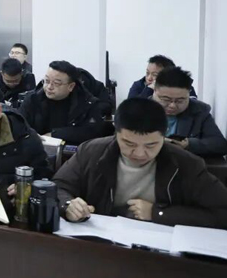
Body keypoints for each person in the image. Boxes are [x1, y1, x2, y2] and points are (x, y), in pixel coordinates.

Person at [54, 98, 227, 228]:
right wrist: (68, 205)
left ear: (164, 135)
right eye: (129, 144)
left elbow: (222, 212)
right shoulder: (91, 151)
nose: (139, 153)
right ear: (116, 132)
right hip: (102, 242)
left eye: (151, 145)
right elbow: (58, 187)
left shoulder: (186, 164)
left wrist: (157, 213)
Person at [19, 61, 112, 144]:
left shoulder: (88, 103)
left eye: (56, 83)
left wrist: (55, 134)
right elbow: (19, 125)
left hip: (74, 153)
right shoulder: (33, 98)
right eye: (46, 81)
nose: (49, 87)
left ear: (71, 86)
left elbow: (92, 132)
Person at [152, 67, 227, 157]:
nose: (173, 105)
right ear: (154, 91)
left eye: (180, 101)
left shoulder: (199, 111)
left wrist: (189, 144)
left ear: (189, 94)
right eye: (166, 99)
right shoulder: (140, 109)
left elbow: (220, 144)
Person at [128, 55, 197, 99]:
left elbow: (194, 108)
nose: (149, 78)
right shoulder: (138, 85)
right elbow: (131, 110)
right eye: (147, 73)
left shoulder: (184, 86)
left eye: (155, 75)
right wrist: (148, 90)